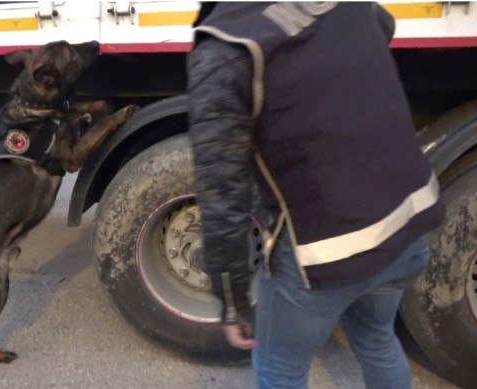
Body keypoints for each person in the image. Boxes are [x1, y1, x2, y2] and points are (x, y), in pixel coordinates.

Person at [187, 3, 444, 389]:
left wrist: (232, 299)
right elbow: (382, 24)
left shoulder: (226, 47)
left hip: (324, 252)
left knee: (278, 367)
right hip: (404, 228)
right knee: (377, 340)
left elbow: (222, 196)